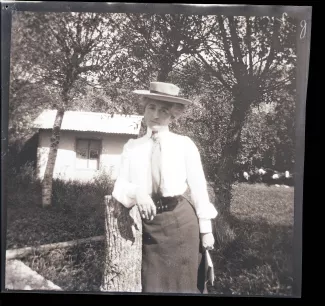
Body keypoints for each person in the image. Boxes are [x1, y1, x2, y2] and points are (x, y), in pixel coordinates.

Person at [112, 82, 218, 294]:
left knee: (185, 286)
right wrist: (138, 192)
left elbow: (198, 188)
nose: (156, 115)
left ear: (173, 116)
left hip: (181, 222)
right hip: (150, 226)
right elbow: (119, 186)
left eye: (164, 111)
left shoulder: (184, 144)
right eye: (151, 107)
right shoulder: (132, 147)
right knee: (153, 285)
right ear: (144, 110)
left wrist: (206, 230)